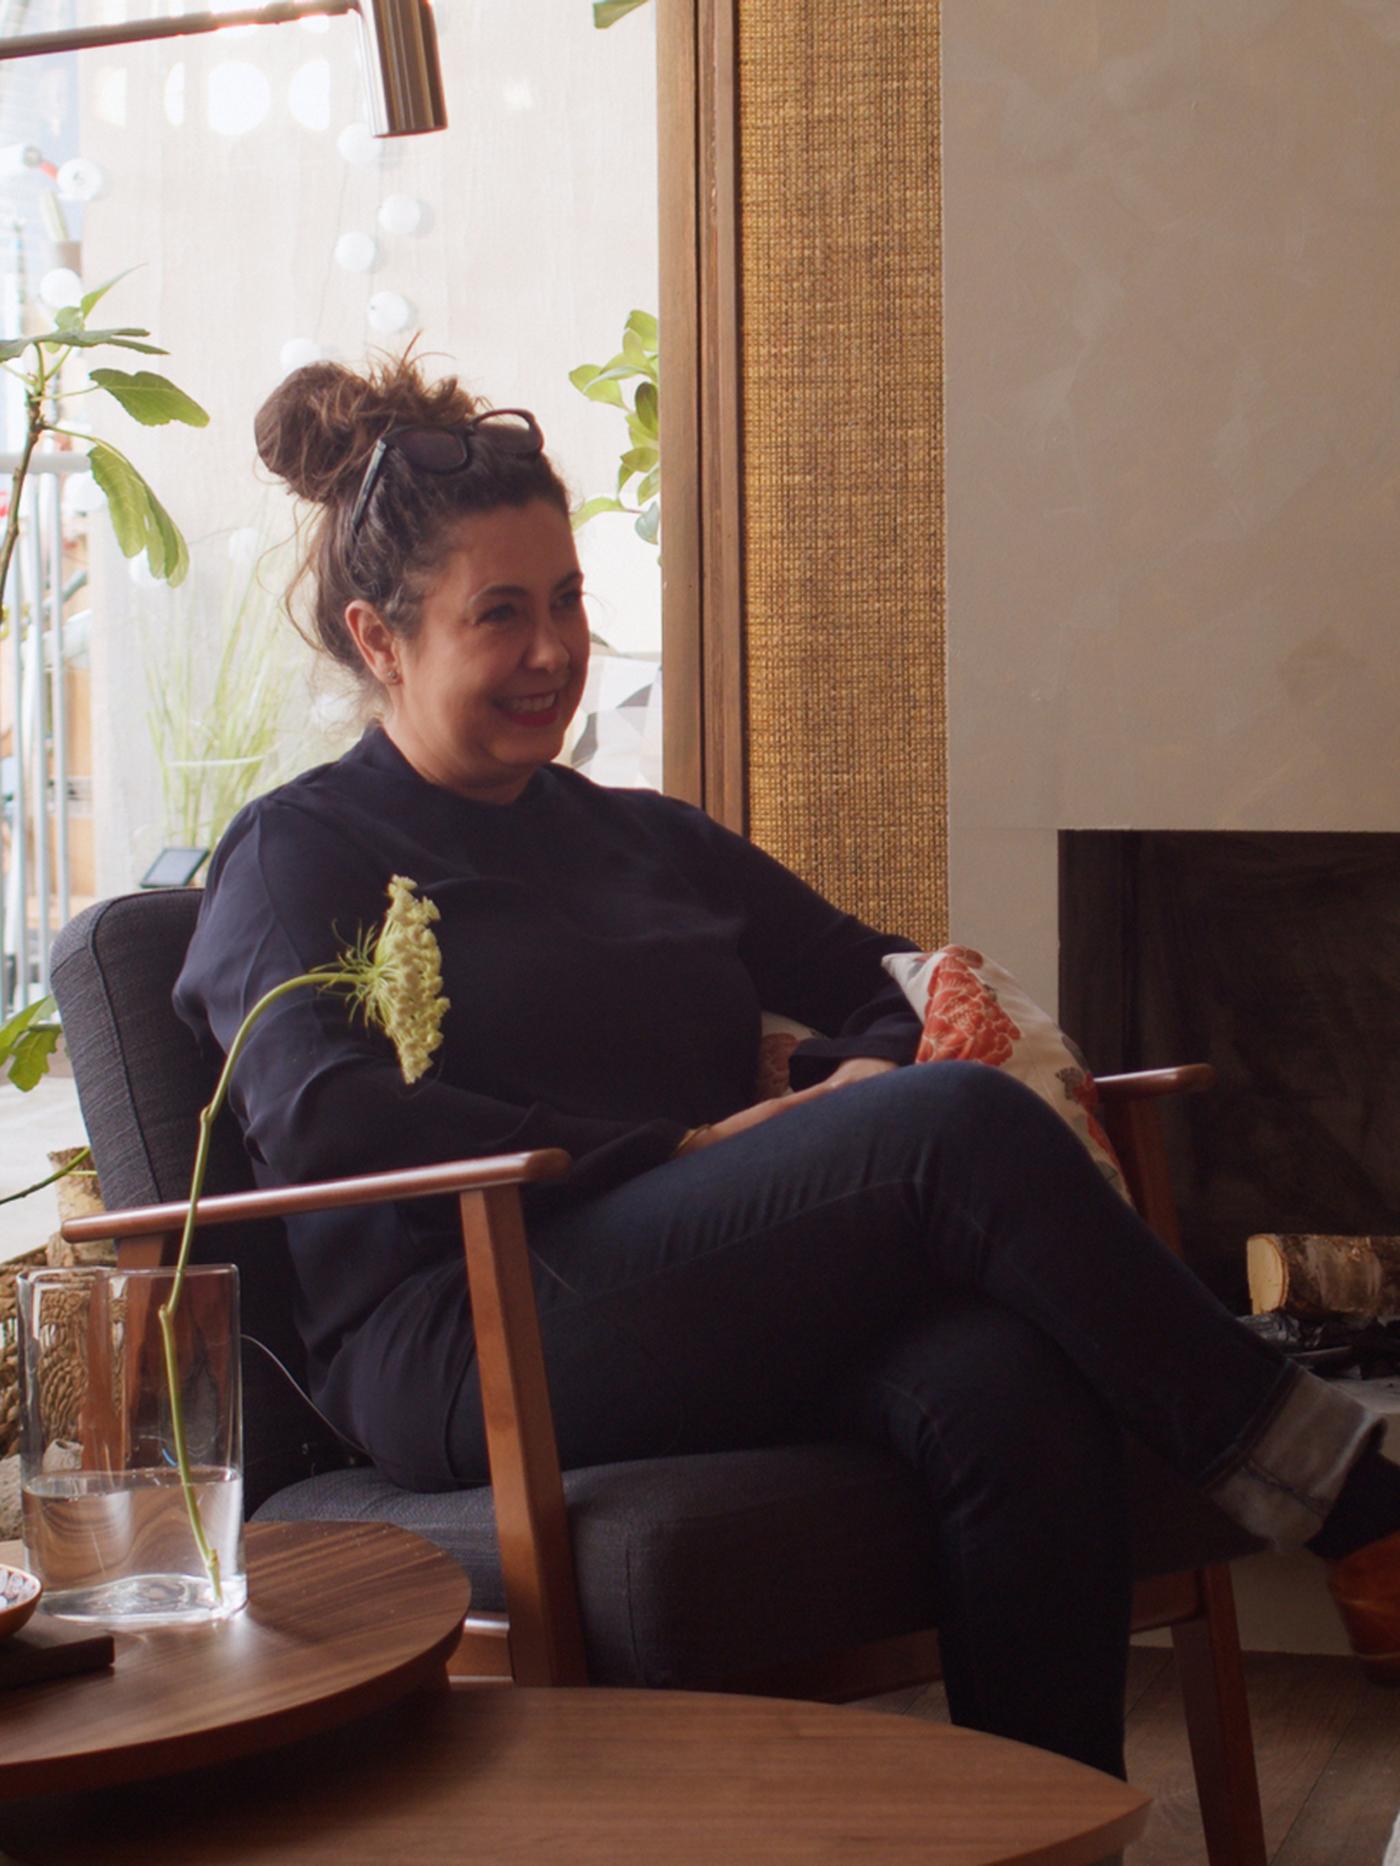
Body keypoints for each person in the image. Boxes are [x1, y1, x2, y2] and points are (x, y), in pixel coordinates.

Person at [175, 352, 1400, 1779]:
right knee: (952, 1125)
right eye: (499, 616)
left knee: (1002, 1384)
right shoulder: (299, 848)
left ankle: (1043, 1835)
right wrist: (675, 1156)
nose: (554, 651)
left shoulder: (638, 836)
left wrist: (820, 1083)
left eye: (567, 601)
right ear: (378, 638)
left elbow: (882, 975)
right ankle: (1356, 1502)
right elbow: (324, 1118)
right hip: (475, 1322)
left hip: (704, 1288)